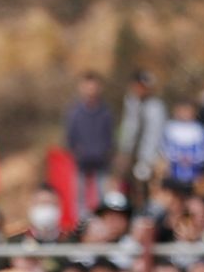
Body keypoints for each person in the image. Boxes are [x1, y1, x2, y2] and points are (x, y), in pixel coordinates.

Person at [64, 72, 114, 213]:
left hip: (101, 162)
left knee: (103, 196)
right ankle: (81, 226)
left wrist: (107, 152)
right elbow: (70, 136)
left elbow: (109, 135)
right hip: (81, 161)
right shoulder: (74, 112)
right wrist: (75, 151)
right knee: (79, 197)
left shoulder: (105, 111)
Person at [115, 71, 165, 208]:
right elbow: (128, 128)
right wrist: (123, 150)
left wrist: (150, 159)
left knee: (145, 187)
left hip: (148, 156)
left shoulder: (156, 107)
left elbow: (156, 134)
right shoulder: (131, 103)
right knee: (127, 187)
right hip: (131, 154)